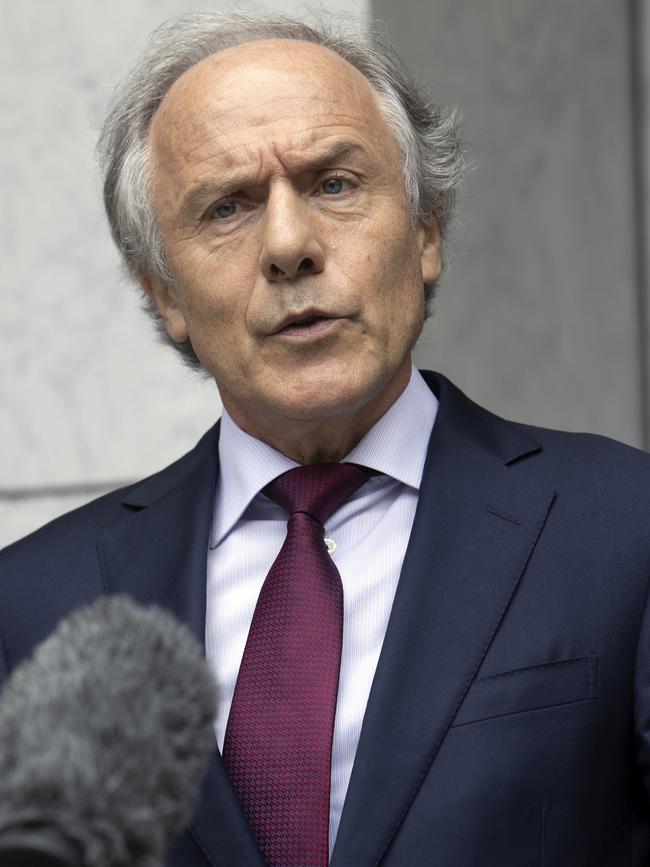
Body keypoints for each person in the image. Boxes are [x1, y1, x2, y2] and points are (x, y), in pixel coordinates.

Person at [1, 10, 649, 866]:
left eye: (334, 184)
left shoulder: (622, 526)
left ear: (425, 233)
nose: (289, 245)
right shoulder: (32, 606)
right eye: (228, 206)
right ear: (164, 292)